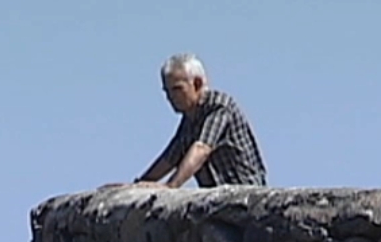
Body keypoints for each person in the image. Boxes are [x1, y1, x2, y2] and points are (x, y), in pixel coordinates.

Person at [107, 53, 268, 189]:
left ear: (197, 84)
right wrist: (138, 185)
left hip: (245, 195)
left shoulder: (219, 107)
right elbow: (170, 157)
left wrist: (170, 187)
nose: (170, 97)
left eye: (177, 89)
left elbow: (201, 148)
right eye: (167, 91)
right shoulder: (189, 120)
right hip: (218, 199)